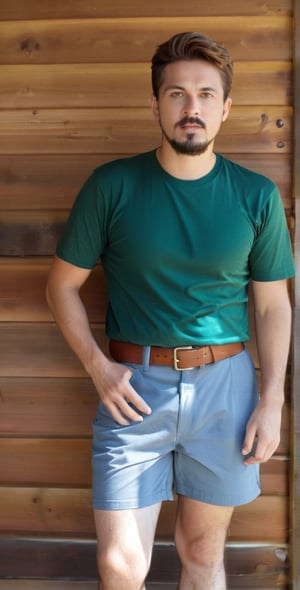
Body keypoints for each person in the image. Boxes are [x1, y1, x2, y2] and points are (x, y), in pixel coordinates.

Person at [46, 31, 295, 590]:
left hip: (226, 390)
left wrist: (273, 398)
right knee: (121, 566)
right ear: (155, 103)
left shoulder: (255, 196)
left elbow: (274, 303)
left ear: (226, 108)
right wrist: (96, 365)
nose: (192, 108)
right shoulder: (112, 186)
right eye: (178, 93)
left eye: (206, 95)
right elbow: (61, 286)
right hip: (133, 391)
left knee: (202, 552)